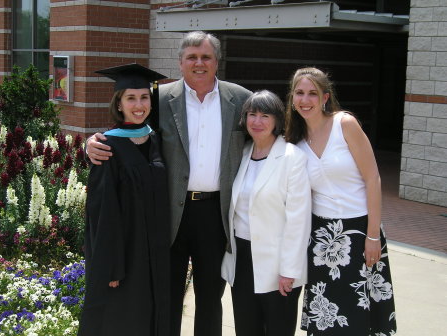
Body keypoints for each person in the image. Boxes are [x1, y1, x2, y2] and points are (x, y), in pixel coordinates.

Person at [85, 31, 252, 336]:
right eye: (192, 57)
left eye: (205, 57)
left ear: (217, 61)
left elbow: (265, 139)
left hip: (215, 214)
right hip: (168, 215)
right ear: (180, 62)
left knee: (210, 298)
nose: (198, 63)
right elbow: (130, 131)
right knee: (168, 294)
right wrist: (90, 144)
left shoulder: (240, 99)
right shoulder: (160, 99)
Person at [285, 67, 397, 335]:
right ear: (292, 98)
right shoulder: (295, 141)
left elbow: (373, 179)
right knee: (328, 313)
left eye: (313, 93)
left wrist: (372, 237)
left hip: (359, 232)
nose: (305, 99)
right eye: (299, 93)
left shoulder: (344, 124)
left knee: (361, 313)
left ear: (325, 97)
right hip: (322, 238)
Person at [78, 64, 170, 336]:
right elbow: (102, 213)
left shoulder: (156, 140)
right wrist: (112, 266)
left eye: (144, 98)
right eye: (131, 98)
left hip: (155, 252)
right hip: (125, 257)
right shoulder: (107, 147)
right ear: (118, 104)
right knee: (123, 319)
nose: (139, 105)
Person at [221, 90, 311, 336]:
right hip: (242, 259)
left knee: (277, 329)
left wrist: (289, 270)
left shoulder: (293, 158)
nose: (257, 122)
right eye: (252, 114)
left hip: (278, 264)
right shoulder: (242, 153)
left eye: (265, 115)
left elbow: (299, 220)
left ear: (277, 121)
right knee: (246, 328)